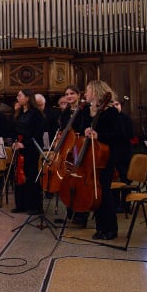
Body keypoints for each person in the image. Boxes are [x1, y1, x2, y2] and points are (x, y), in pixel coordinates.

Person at [81, 80, 123, 240]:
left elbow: (119, 135)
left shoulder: (111, 112)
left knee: (104, 192)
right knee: (95, 193)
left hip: (106, 156)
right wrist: (86, 131)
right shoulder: (88, 111)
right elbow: (83, 128)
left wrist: (99, 135)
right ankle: (100, 227)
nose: (85, 93)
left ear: (96, 92)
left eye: (88, 90)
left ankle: (110, 229)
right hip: (92, 154)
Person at [55, 85, 89, 226]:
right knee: (68, 179)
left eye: (72, 93)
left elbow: (85, 127)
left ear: (78, 95)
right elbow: (63, 128)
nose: (69, 96)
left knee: (80, 180)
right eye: (67, 94)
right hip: (68, 149)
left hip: (79, 147)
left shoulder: (84, 110)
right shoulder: (66, 112)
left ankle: (81, 213)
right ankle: (70, 210)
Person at [9, 89, 44, 214]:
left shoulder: (36, 114)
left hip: (31, 149)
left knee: (30, 176)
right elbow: (14, 130)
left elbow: (37, 133)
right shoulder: (19, 113)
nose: (17, 98)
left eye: (20, 95)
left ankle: (34, 206)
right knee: (19, 176)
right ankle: (21, 205)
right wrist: (14, 141)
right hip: (19, 148)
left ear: (28, 98)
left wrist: (24, 143)